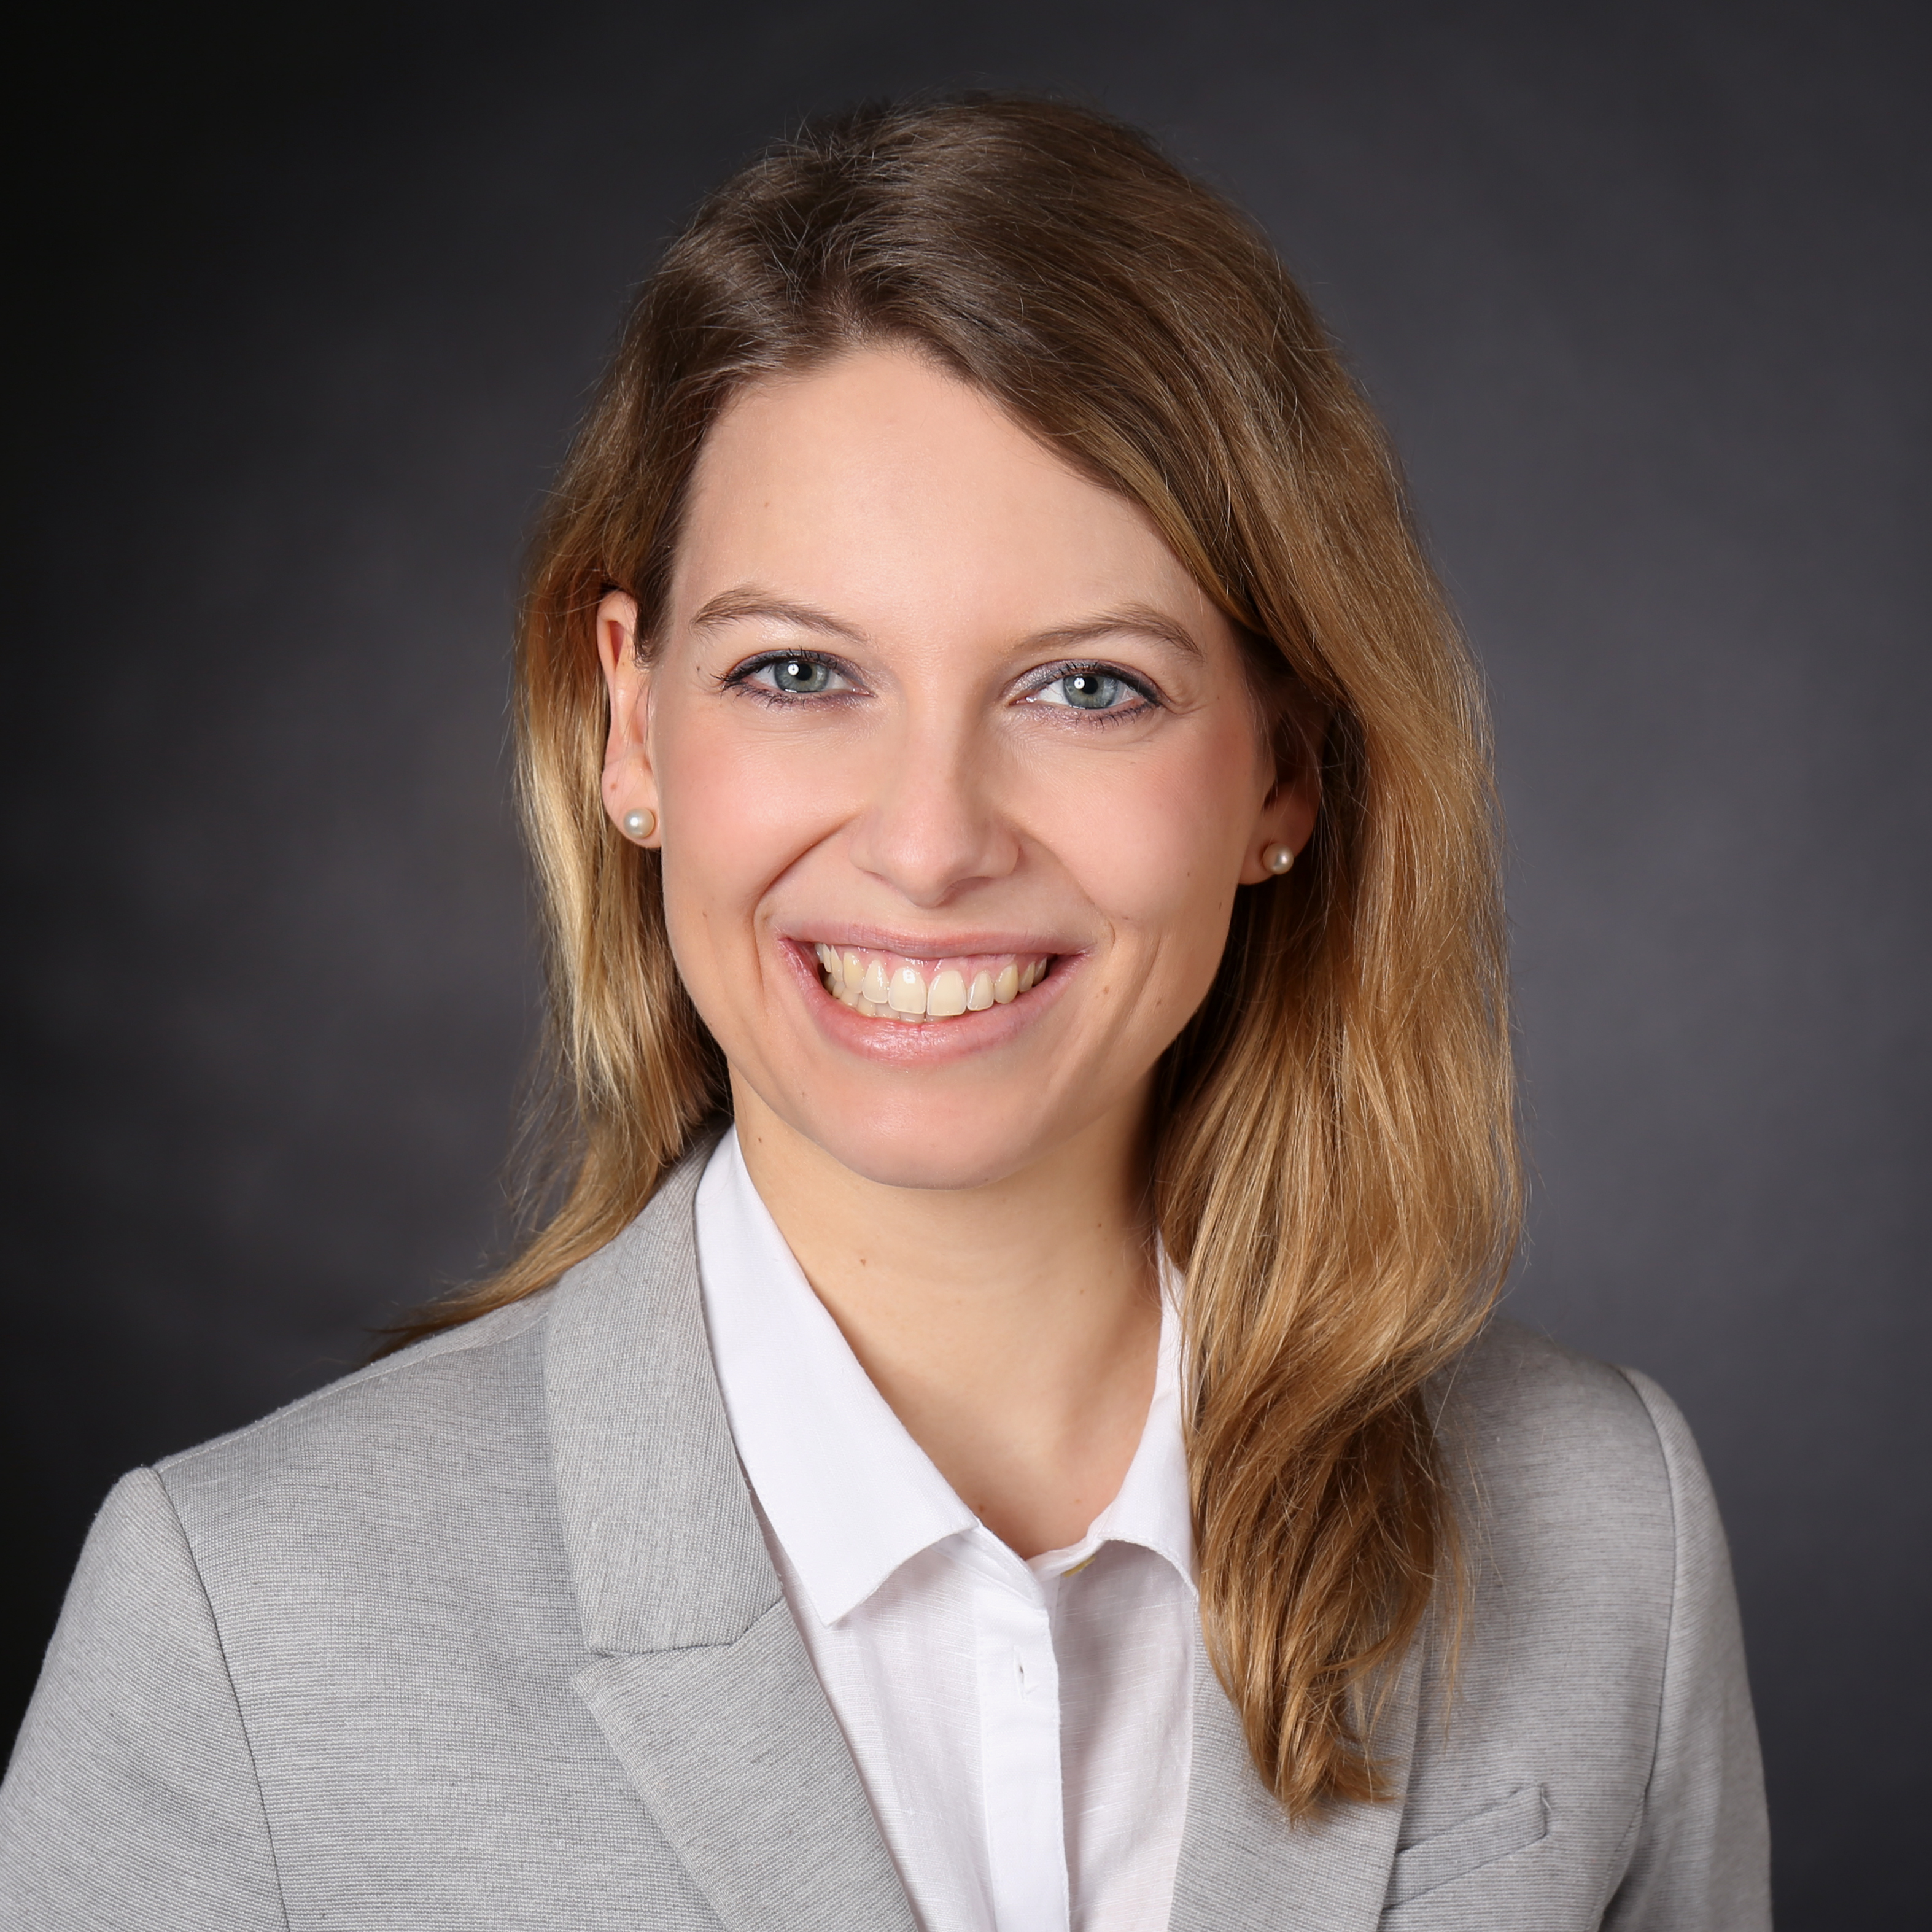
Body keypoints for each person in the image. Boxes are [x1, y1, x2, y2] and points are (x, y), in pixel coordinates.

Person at [0, 96, 1768, 1931]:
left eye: (1088, 685)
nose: (930, 844)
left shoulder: (1603, 1531)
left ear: (1284, 770)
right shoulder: (239, 1629)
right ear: (631, 722)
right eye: (796, 670)